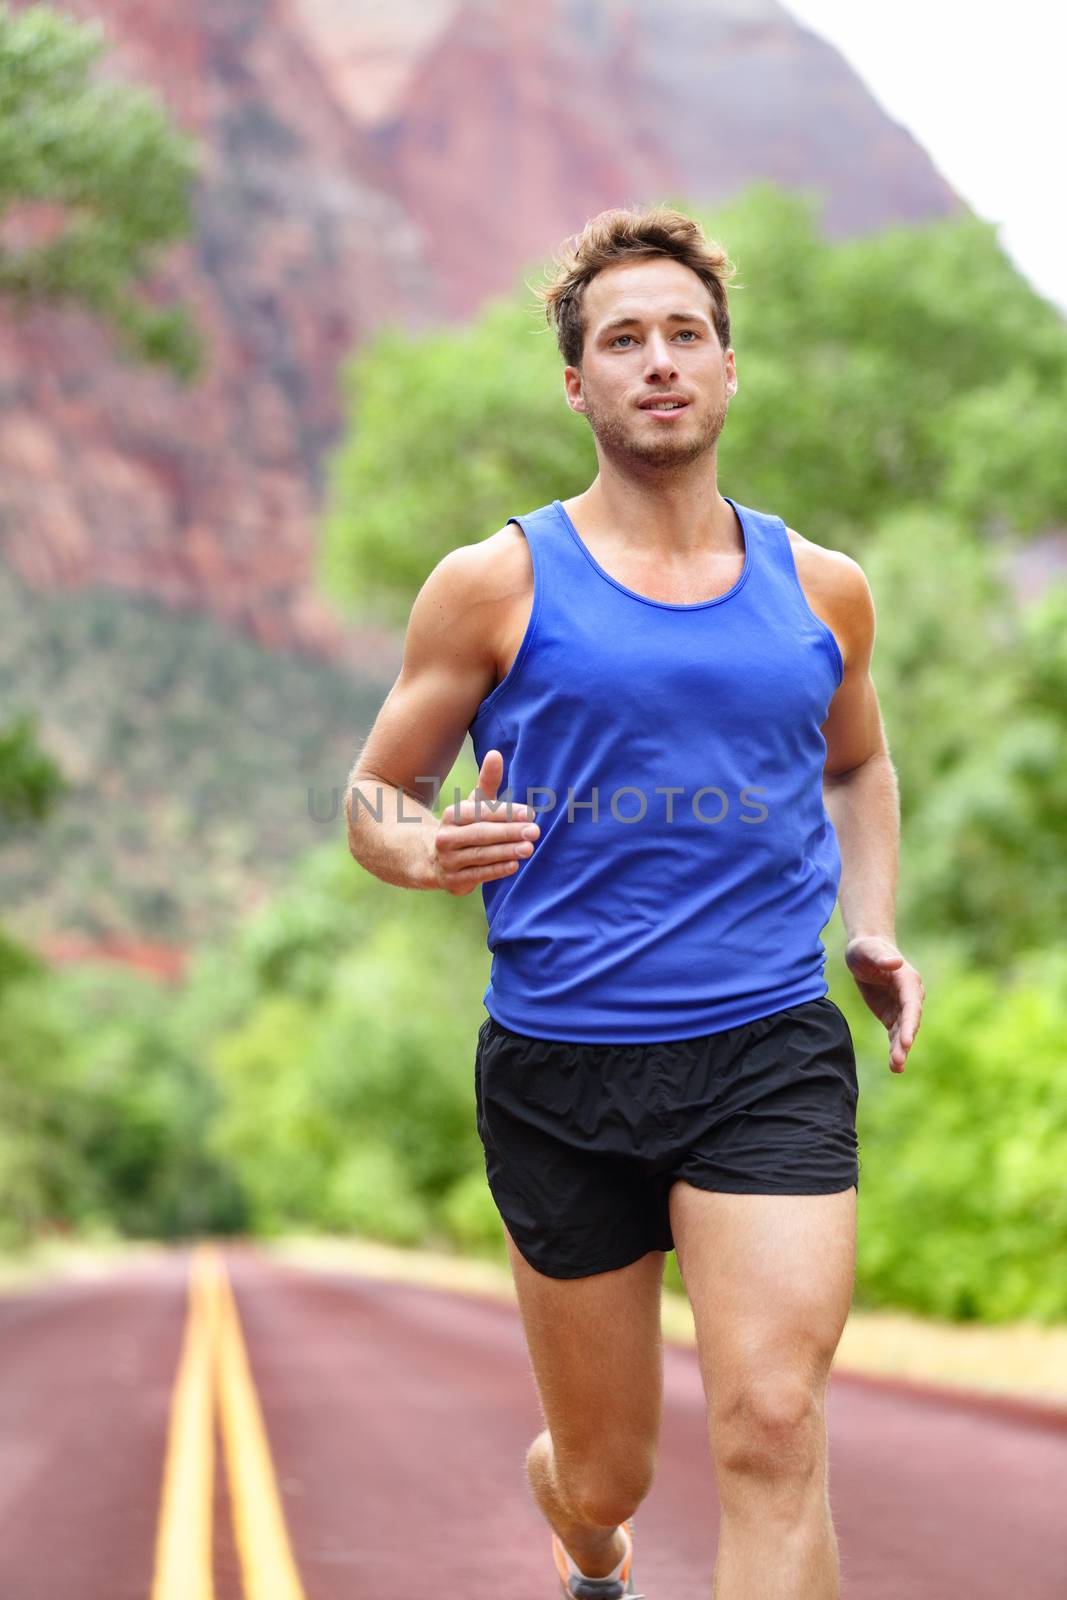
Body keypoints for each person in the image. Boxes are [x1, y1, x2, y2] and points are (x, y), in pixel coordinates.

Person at [345, 204, 925, 1600]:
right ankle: (586, 1541)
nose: (658, 361)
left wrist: (873, 922)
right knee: (610, 1473)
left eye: (685, 335)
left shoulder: (824, 591)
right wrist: (428, 851)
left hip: (768, 1050)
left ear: (727, 370)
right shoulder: (494, 583)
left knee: (775, 1426)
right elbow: (374, 792)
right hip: (561, 1066)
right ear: (578, 383)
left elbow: (859, 765)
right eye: (623, 340)